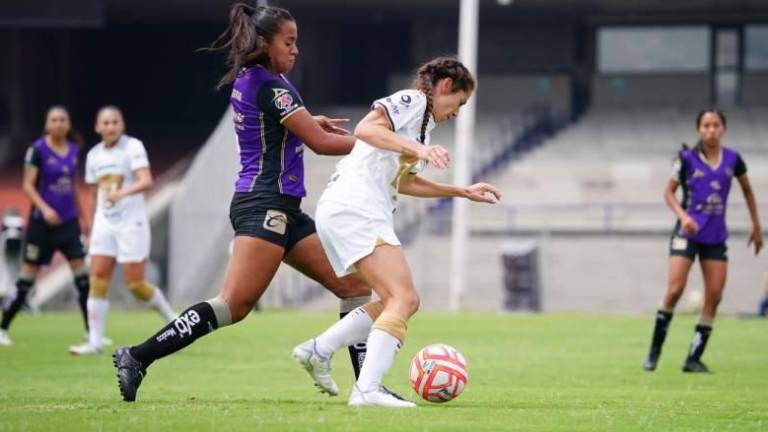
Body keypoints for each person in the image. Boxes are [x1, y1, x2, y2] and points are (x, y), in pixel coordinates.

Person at [112, 3, 375, 402]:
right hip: (264, 205)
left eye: (297, 42)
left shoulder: (254, 79)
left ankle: (366, 388)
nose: (296, 50)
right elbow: (321, 145)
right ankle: (136, 356)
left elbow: (279, 127)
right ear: (265, 42)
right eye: (289, 42)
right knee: (233, 305)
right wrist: (380, 146)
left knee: (355, 285)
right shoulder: (272, 86)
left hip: (282, 207)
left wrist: (306, 122)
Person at [292, 56, 502, 407]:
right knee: (403, 298)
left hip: (354, 210)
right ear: (446, 86)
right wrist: (419, 149)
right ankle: (367, 390)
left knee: (400, 300)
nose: (457, 112)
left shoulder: (421, 127)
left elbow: (405, 182)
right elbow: (366, 129)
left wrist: (461, 191)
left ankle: (318, 349)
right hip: (355, 207)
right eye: (459, 103)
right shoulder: (413, 100)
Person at [643, 108, 763, 373]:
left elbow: (747, 191)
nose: (711, 130)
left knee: (715, 295)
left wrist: (756, 226)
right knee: (674, 290)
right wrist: (683, 216)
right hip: (687, 233)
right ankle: (654, 353)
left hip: (715, 236)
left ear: (723, 128)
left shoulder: (733, 159)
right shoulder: (686, 159)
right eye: (706, 125)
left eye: (716, 125)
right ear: (699, 129)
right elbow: (669, 193)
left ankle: (693, 358)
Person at [68, 106, 176, 355]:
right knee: (97, 278)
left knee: (135, 284)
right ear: (97, 127)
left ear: (122, 125)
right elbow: (94, 194)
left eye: (115, 122)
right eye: (105, 123)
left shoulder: (133, 147)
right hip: (105, 223)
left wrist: (121, 194)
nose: (110, 126)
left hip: (131, 222)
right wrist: (94, 225)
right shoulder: (94, 155)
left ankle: (173, 319)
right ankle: (95, 342)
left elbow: (146, 180)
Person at [0, 106, 91, 347]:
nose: (59, 123)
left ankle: (92, 332)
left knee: (82, 277)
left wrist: (85, 218)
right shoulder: (37, 150)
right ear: (47, 124)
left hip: (69, 224)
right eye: (54, 120)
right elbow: (28, 186)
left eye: (63, 119)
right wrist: (46, 209)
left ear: (68, 124)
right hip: (42, 226)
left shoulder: (73, 149)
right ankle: (3, 327)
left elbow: (72, 186)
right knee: (27, 279)